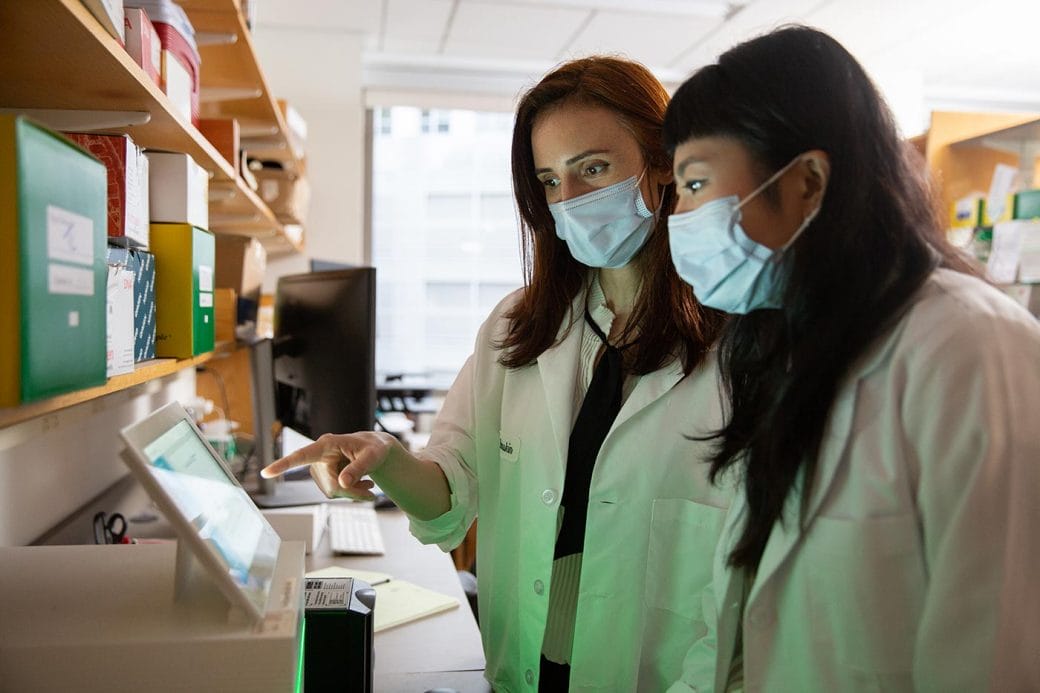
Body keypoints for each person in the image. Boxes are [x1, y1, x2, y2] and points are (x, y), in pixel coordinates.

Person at [263, 56, 731, 690]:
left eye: (593, 168)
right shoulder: (517, 327)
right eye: (550, 180)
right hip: (528, 664)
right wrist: (388, 459)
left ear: (663, 163)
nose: (571, 200)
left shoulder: (738, 342)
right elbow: (451, 492)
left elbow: (746, 575)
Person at [661, 25, 1040, 692]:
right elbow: (736, 623)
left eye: (694, 183)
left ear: (807, 181)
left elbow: (993, 650)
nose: (679, 216)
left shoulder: (972, 347)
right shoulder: (781, 346)